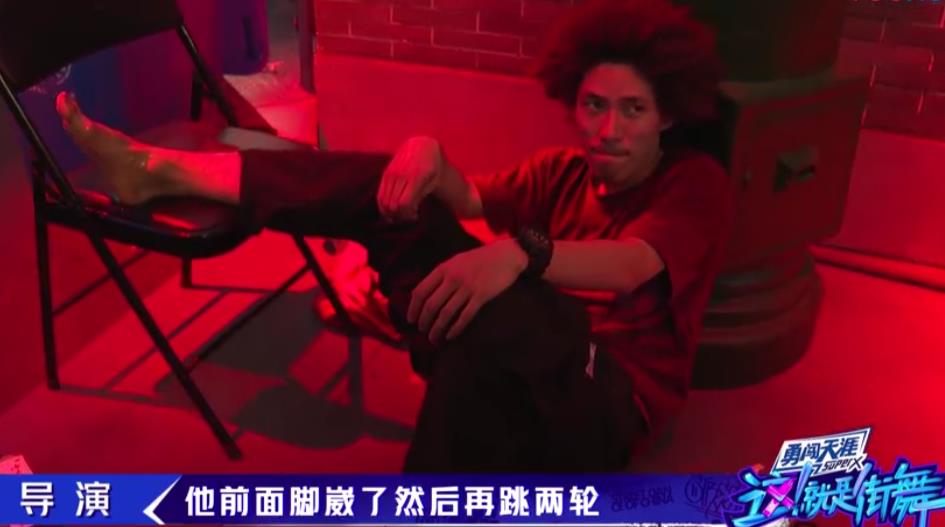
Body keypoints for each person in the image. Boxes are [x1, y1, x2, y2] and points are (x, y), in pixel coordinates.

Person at [54, 0, 733, 471]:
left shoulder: (693, 182)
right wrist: (428, 153)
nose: (608, 130)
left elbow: (631, 264)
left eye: (632, 110)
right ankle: (157, 170)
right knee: (393, 197)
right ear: (573, 105)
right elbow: (469, 197)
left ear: (667, 116)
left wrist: (518, 255)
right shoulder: (561, 170)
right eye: (594, 106)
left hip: (607, 400)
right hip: (517, 365)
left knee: (500, 319)